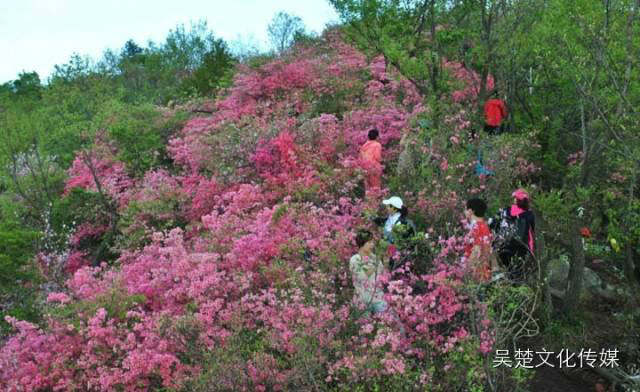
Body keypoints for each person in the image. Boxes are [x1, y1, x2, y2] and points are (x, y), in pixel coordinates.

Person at [489, 189, 536, 282]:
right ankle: (512, 284)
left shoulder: (505, 210)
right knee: (516, 275)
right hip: (520, 248)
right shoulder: (529, 215)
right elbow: (531, 233)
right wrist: (531, 251)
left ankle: (498, 276)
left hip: (502, 244)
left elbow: (493, 223)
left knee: (501, 264)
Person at [349, 230, 387, 315]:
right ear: (362, 244)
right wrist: (375, 264)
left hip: (379, 298)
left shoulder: (375, 257)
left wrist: (386, 261)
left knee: (387, 323)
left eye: (373, 242)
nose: (372, 245)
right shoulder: (355, 259)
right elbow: (362, 277)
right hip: (363, 300)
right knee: (364, 326)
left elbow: (383, 275)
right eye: (369, 242)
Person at [374, 196, 416, 269]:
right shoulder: (388, 219)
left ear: (394, 208)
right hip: (387, 254)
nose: (387, 208)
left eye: (389, 206)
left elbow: (407, 241)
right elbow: (380, 220)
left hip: (400, 256)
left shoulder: (404, 222)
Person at [464, 198, 494, 283]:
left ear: (471, 211)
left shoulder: (477, 227)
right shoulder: (484, 226)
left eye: (466, 209)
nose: (465, 212)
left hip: (477, 273)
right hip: (483, 271)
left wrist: (466, 272)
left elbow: (476, 251)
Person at [359, 129, 383, 195]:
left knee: (367, 187)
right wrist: (382, 161)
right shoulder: (377, 145)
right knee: (375, 186)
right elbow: (377, 157)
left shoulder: (364, 145)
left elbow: (360, 157)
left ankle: (368, 202)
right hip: (374, 167)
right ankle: (376, 202)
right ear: (377, 137)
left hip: (364, 167)